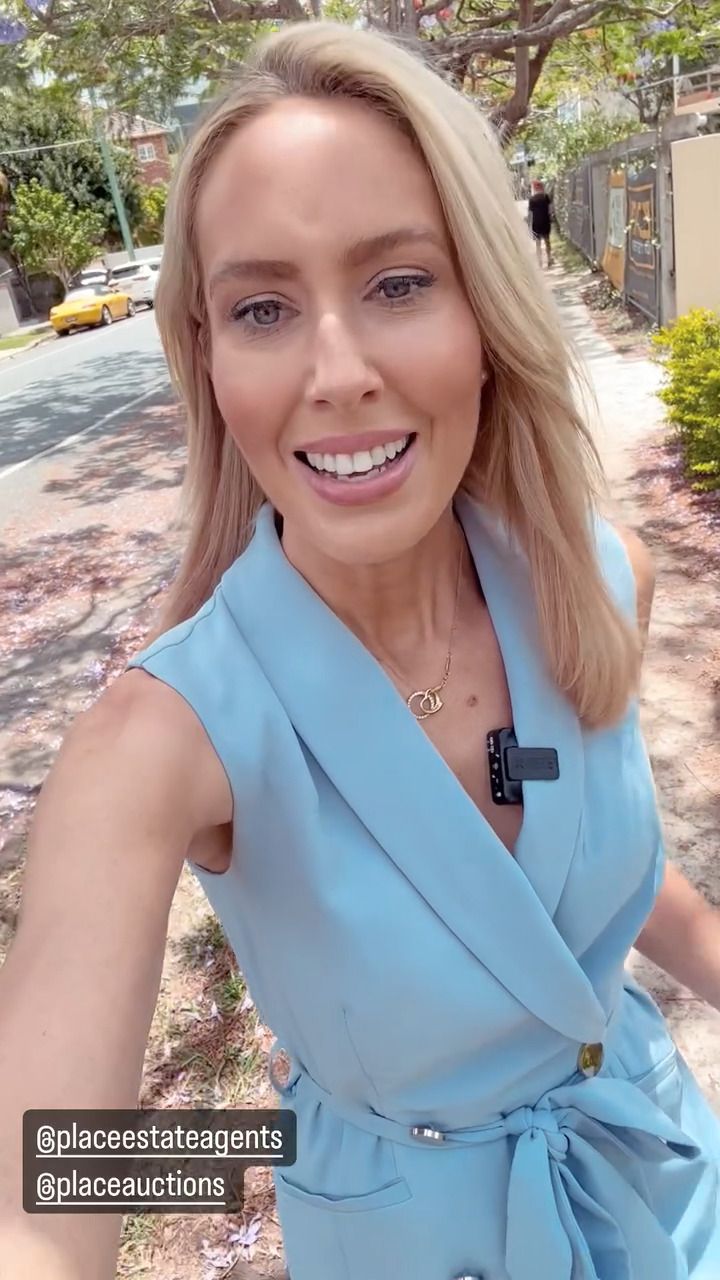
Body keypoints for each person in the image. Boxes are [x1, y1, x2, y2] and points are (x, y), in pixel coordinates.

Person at [1, 20, 720, 1280]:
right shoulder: (161, 741)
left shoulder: (597, 580)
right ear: (209, 357)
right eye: (262, 307)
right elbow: (46, 1186)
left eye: (398, 283)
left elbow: (558, 898)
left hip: (659, 1174)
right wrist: (271, 1149)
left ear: (485, 310)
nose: (337, 372)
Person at [528, 178, 553, 268]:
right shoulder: (546, 197)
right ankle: (549, 259)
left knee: (538, 243)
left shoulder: (532, 199)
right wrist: (551, 217)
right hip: (545, 221)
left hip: (536, 223)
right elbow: (550, 209)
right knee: (547, 241)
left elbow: (530, 213)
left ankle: (540, 261)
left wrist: (529, 223)